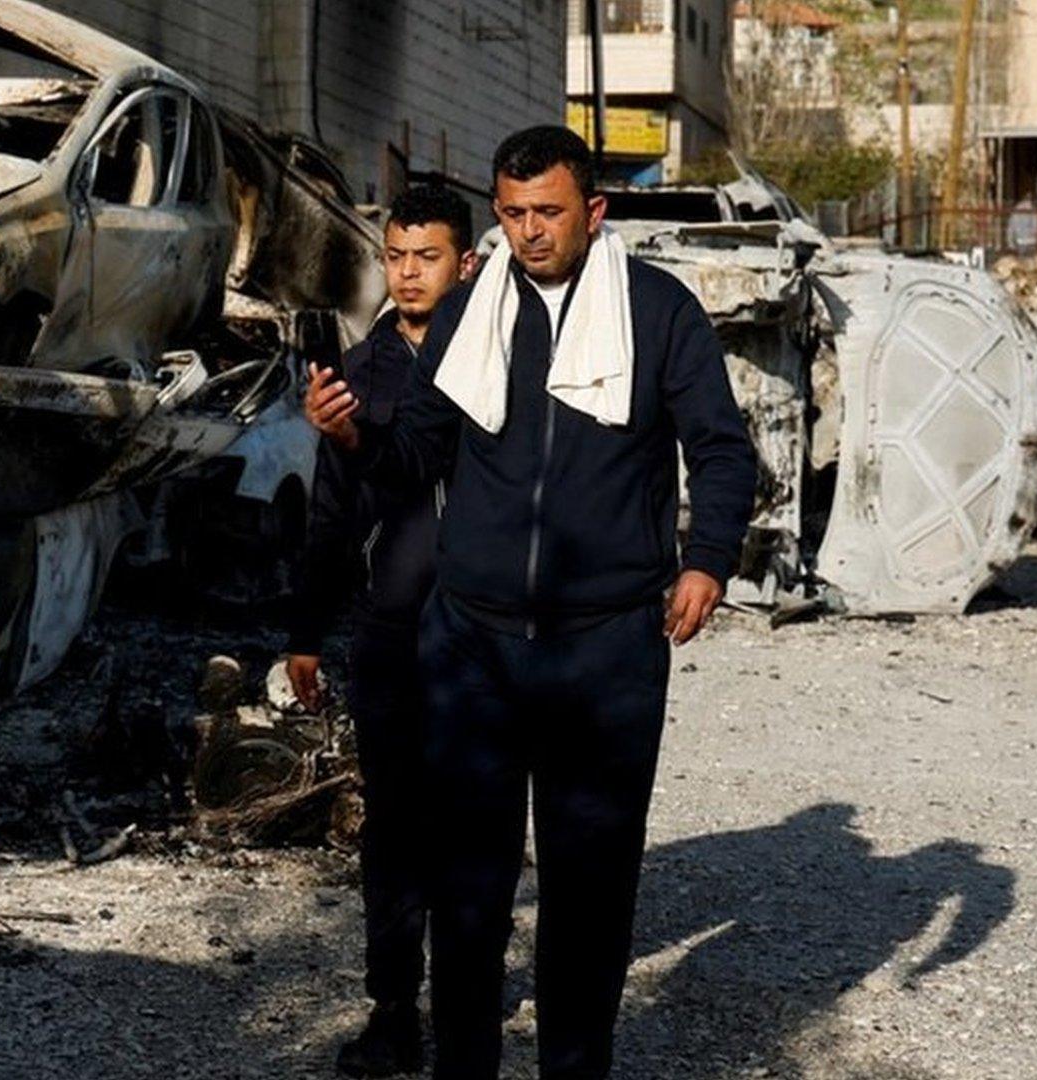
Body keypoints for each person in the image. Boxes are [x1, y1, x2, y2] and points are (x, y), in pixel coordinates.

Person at [308, 126, 758, 1078]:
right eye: (512, 214)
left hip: (606, 651)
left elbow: (720, 448)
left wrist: (707, 560)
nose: (528, 232)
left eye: (548, 211)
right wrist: (354, 442)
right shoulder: (477, 308)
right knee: (468, 888)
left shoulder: (656, 311)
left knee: (590, 889)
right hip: (471, 647)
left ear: (594, 210)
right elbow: (422, 450)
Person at [287, 185, 479, 1077]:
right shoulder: (358, 377)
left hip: (485, 634)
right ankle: (395, 1010)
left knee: (476, 827)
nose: (407, 274)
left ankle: (469, 1004)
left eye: (426, 256)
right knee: (396, 828)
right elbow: (330, 516)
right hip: (392, 636)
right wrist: (306, 631)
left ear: (465, 263)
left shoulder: (498, 363)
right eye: (396, 257)